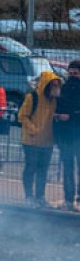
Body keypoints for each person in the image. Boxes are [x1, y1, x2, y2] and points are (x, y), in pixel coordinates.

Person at [18, 71, 61, 208]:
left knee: (43, 170)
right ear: (46, 84)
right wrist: (33, 129)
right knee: (31, 168)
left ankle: (40, 197)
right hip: (31, 141)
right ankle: (29, 197)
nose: (56, 87)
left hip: (47, 141)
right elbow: (22, 116)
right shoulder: (33, 97)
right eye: (53, 84)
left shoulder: (54, 100)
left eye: (57, 84)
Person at [54, 60, 80, 211]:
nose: (72, 76)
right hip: (65, 135)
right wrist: (58, 116)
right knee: (67, 168)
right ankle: (68, 200)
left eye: (75, 73)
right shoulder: (63, 89)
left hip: (78, 133)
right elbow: (57, 107)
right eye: (70, 73)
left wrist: (70, 116)